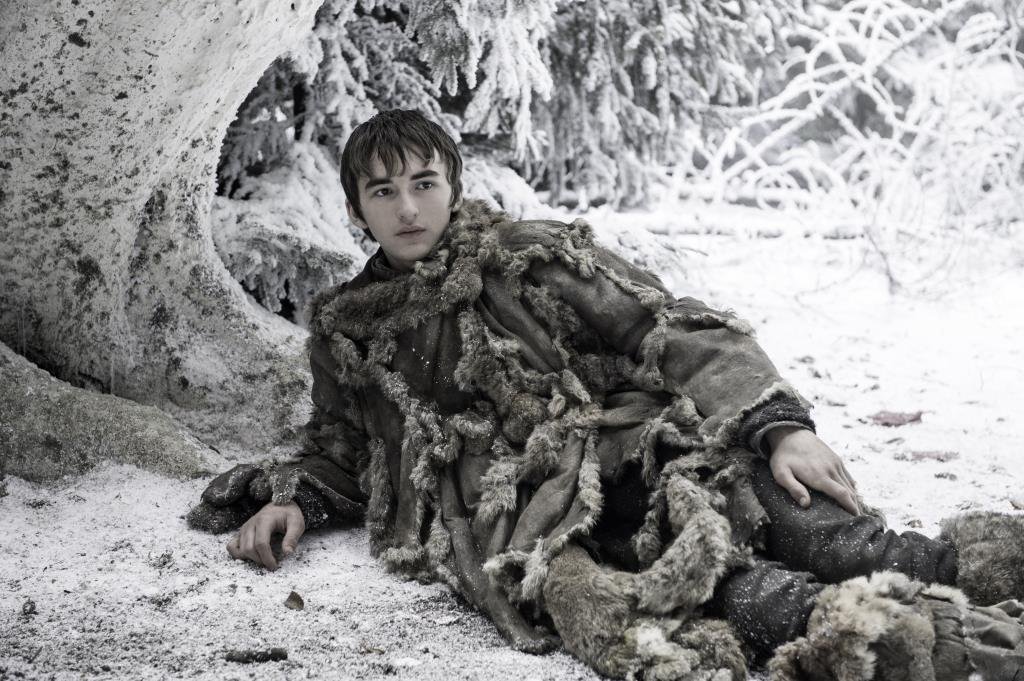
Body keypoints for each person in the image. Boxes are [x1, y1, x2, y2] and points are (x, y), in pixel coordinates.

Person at [189, 109, 1024, 680]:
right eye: (383, 191)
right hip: (535, 520)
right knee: (724, 593)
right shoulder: (350, 331)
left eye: (424, 181)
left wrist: (779, 427)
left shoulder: (528, 255)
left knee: (820, 529)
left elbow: (671, 325)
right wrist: (297, 499)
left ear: (454, 184)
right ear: (355, 210)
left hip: (639, 445)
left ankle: (974, 573)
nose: (408, 207)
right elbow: (345, 443)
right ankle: (930, 648)